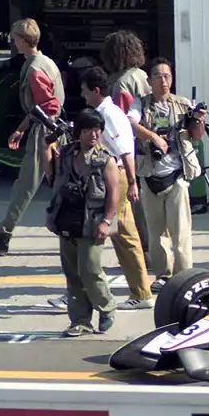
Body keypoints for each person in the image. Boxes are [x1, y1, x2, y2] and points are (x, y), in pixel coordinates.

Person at [47, 67, 152, 311]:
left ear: (95, 90)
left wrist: (132, 183)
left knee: (105, 234)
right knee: (120, 236)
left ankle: (134, 293)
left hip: (115, 177)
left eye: (84, 90)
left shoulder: (109, 115)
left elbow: (125, 152)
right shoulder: (105, 112)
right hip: (110, 177)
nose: (82, 95)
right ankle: (136, 292)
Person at [0, 18, 65, 256]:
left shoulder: (34, 69)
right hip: (52, 129)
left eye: (14, 38)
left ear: (24, 41)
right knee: (60, 183)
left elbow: (47, 107)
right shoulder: (46, 62)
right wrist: (24, 127)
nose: (13, 42)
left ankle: (3, 236)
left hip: (44, 131)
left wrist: (27, 131)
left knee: (25, 185)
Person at [127, 57, 206, 293]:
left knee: (180, 232)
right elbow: (131, 124)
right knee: (155, 232)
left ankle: (184, 276)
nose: (164, 80)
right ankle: (163, 275)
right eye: (158, 76)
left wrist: (198, 120)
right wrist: (153, 137)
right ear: (149, 81)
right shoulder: (140, 104)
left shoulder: (182, 105)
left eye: (167, 76)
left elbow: (197, 136)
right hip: (149, 175)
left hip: (176, 176)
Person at [41, 109, 119, 337]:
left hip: (93, 222)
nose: (93, 134)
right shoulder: (66, 154)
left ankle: (106, 306)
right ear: (79, 132)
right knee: (72, 273)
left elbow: (114, 193)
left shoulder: (106, 159)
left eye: (97, 130)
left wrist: (106, 221)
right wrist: (46, 146)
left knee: (89, 268)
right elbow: (50, 174)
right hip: (67, 219)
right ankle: (80, 320)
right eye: (88, 130)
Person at [103, 29, 152, 258]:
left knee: (130, 203)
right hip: (146, 146)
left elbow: (120, 122)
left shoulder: (121, 83)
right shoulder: (143, 76)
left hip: (128, 152)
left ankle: (142, 248)